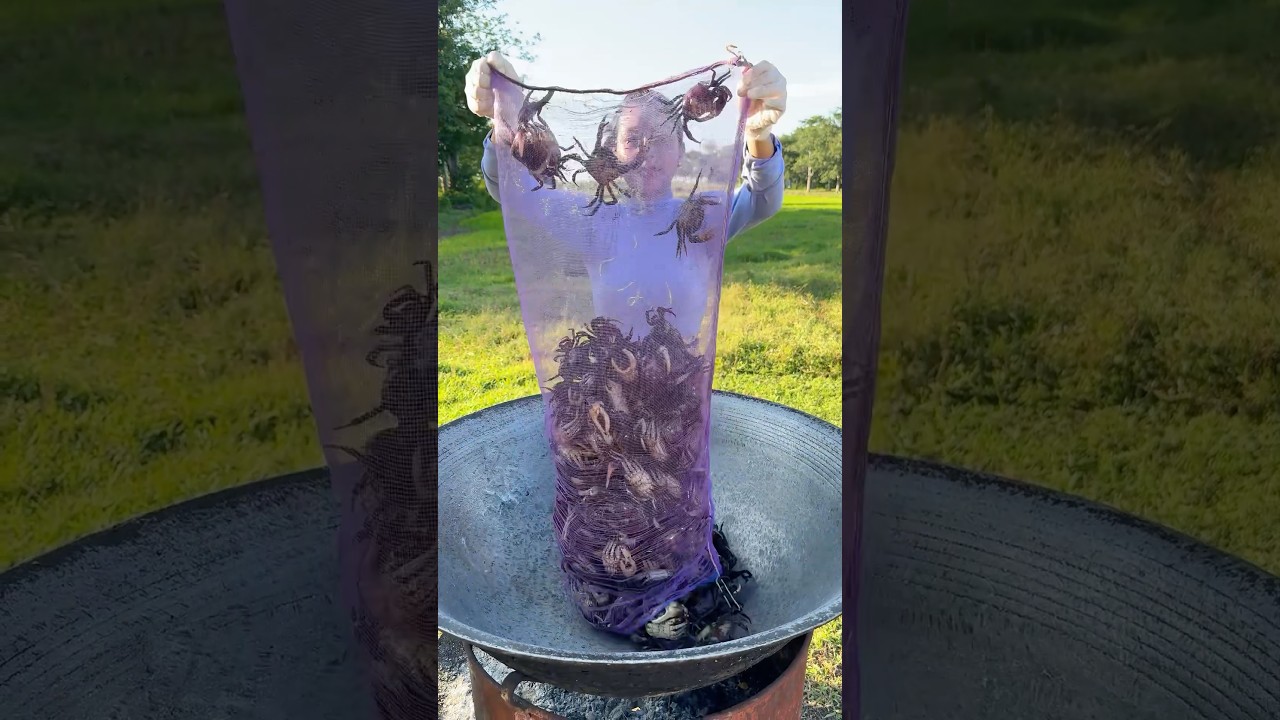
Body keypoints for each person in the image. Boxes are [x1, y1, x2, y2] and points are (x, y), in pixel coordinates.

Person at [462, 51, 789, 341]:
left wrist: (758, 133)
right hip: (607, 379)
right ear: (614, 151)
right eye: (632, 139)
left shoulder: (703, 218)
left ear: (681, 150)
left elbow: (763, 198)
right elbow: (514, 190)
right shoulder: (593, 223)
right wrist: (503, 117)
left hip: (683, 385)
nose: (647, 152)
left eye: (661, 137)